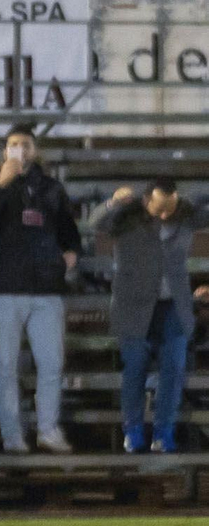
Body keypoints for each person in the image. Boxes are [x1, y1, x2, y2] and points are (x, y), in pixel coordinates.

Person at [0, 125, 82, 454]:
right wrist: (2, 180)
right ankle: (12, 435)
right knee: (5, 368)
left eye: (26, 144)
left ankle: (47, 429)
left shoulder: (50, 188)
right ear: (5, 151)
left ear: (35, 150)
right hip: (4, 288)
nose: (20, 149)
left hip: (46, 289)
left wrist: (71, 252)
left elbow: (69, 231)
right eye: (14, 144)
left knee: (51, 363)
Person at [91, 179, 209, 452]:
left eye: (171, 208)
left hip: (174, 306)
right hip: (133, 305)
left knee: (174, 370)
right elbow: (97, 222)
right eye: (160, 209)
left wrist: (186, 199)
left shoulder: (186, 215)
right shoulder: (127, 217)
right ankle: (132, 430)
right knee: (134, 370)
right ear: (146, 201)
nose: (166, 215)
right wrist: (114, 202)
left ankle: (163, 432)